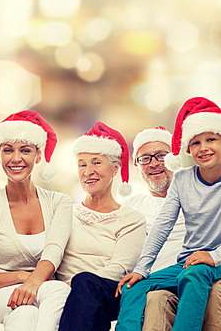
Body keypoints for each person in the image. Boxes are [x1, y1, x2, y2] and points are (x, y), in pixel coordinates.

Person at [116, 97, 221, 331]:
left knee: (194, 275)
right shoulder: (182, 181)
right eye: (195, 143)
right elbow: (162, 226)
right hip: (189, 263)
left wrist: (214, 256)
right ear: (187, 149)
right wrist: (141, 270)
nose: (203, 147)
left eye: (211, 139)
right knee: (135, 287)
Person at [0, 110, 73, 331]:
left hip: (33, 294)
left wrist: (31, 284)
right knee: (56, 290)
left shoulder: (59, 203)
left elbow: (53, 252)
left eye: (25, 150)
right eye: (8, 150)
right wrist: (24, 278)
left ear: (38, 156)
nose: (16, 158)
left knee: (25, 313)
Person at [57, 122, 147, 331]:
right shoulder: (64, 212)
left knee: (85, 282)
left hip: (109, 292)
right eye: (82, 164)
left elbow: (120, 268)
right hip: (64, 291)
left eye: (96, 163)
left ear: (115, 169)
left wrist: (79, 284)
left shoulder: (132, 219)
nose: (88, 171)